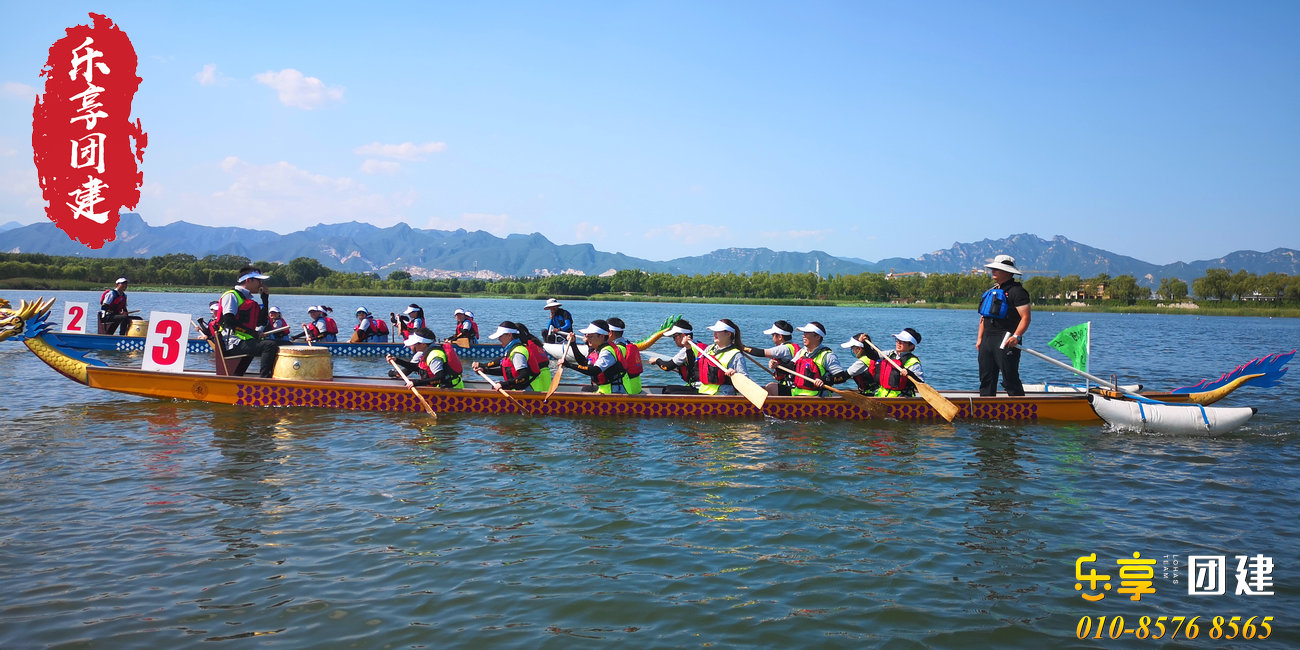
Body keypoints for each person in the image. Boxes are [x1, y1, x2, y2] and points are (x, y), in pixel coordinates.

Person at [977, 254, 1032, 396]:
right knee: (986, 378)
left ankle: (1019, 407)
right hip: (987, 339)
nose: (993, 271)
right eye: (993, 269)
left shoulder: (1017, 292)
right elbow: (984, 318)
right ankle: (985, 409)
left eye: (997, 269)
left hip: (1006, 339)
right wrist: (979, 339)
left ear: (1008, 272)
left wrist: (1017, 336)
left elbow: (1025, 318)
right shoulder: (991, 291)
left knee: (1010, 378)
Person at [216, 266, 280, 377]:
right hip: (233, 343)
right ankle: (265, 380)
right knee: (269, 346)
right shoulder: (231, 296)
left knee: (284, 345)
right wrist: (254, 333)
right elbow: (229, 322)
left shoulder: (248, 300)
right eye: (258, 280)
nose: (261, 284)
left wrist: (265, 300)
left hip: (245, 340)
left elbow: (262, 322)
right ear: (248, 280)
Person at [473, 321, 552, 392]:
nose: (498, 339)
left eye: (500, 336)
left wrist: (504, 384)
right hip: (522, 389)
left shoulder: (518, 352)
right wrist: (484, 370)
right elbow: (507, 370)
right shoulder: (513, 349)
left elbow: (523, 376)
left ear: (510, 335)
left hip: (530, 390)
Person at [738, 320, 802, 396]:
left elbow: (760, 353)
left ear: (780, 337)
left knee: (770, 387)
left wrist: (742, 347)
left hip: (791, 388)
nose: (772, 339)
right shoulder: (793, 346)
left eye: (773, 336)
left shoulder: (784, 348)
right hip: (791, 385)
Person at [785, 322, 849, 397]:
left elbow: (841, 377)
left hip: (818, 399)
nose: (803, 336)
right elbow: (789, 367)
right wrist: (776, 365)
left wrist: (824, 380)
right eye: (804, 333)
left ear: (818, 337)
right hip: (796, 396)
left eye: (807, 333)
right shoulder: (801, 352)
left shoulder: (828, 356)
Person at [386, 326, 463, 388]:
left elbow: (440, 377)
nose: (411, 346)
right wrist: (396, 360)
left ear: (423, 344)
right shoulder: (426, 352)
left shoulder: (434, 355)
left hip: (452, 390)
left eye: (414, 344)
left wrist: (417, 383)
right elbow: (417, 368)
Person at [563, 319, 626, 394]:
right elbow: (583, 363)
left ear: (602, 336)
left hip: (614, 394)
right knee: (585, 390)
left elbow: (594, 371)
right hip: (604, 390)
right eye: (586, 335)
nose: (587, 338)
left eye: (590, 336)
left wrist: (569, 365)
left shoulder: (607, 352)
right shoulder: (596, 350)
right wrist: (573, 344)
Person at [863, 328, 925, 397]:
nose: (898, 343)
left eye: (903, 341)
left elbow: (920, 384)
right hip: (881, 396)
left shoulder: (913, 362)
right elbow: (872, 355)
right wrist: (866, 343)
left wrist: (909, 373)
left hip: (901, 399)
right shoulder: (890, 354)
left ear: (911, 346)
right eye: (898, 340)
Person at [696, 319, 749, 396]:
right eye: (714, 331)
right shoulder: (709, 348)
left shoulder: (737, 355)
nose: (714, 334)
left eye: (718, 331)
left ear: (728, 334)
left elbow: (744, 381)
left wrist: (734, 373)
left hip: (723, 395)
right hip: (703, 392)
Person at [651, 319, 701, 394]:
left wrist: (656, 360)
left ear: (683, 336)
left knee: (667, 391)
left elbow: (667, 367)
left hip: (698, 388)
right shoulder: (698, 344)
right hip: (699, 386)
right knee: (668, 388)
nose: (674, 340)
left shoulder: (687, 349)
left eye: (674, 337)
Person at [605, 317, 645, 395]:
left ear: (610, 333)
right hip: (637, 388)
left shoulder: (615, 349)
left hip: (625, 390)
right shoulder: (629, 344)